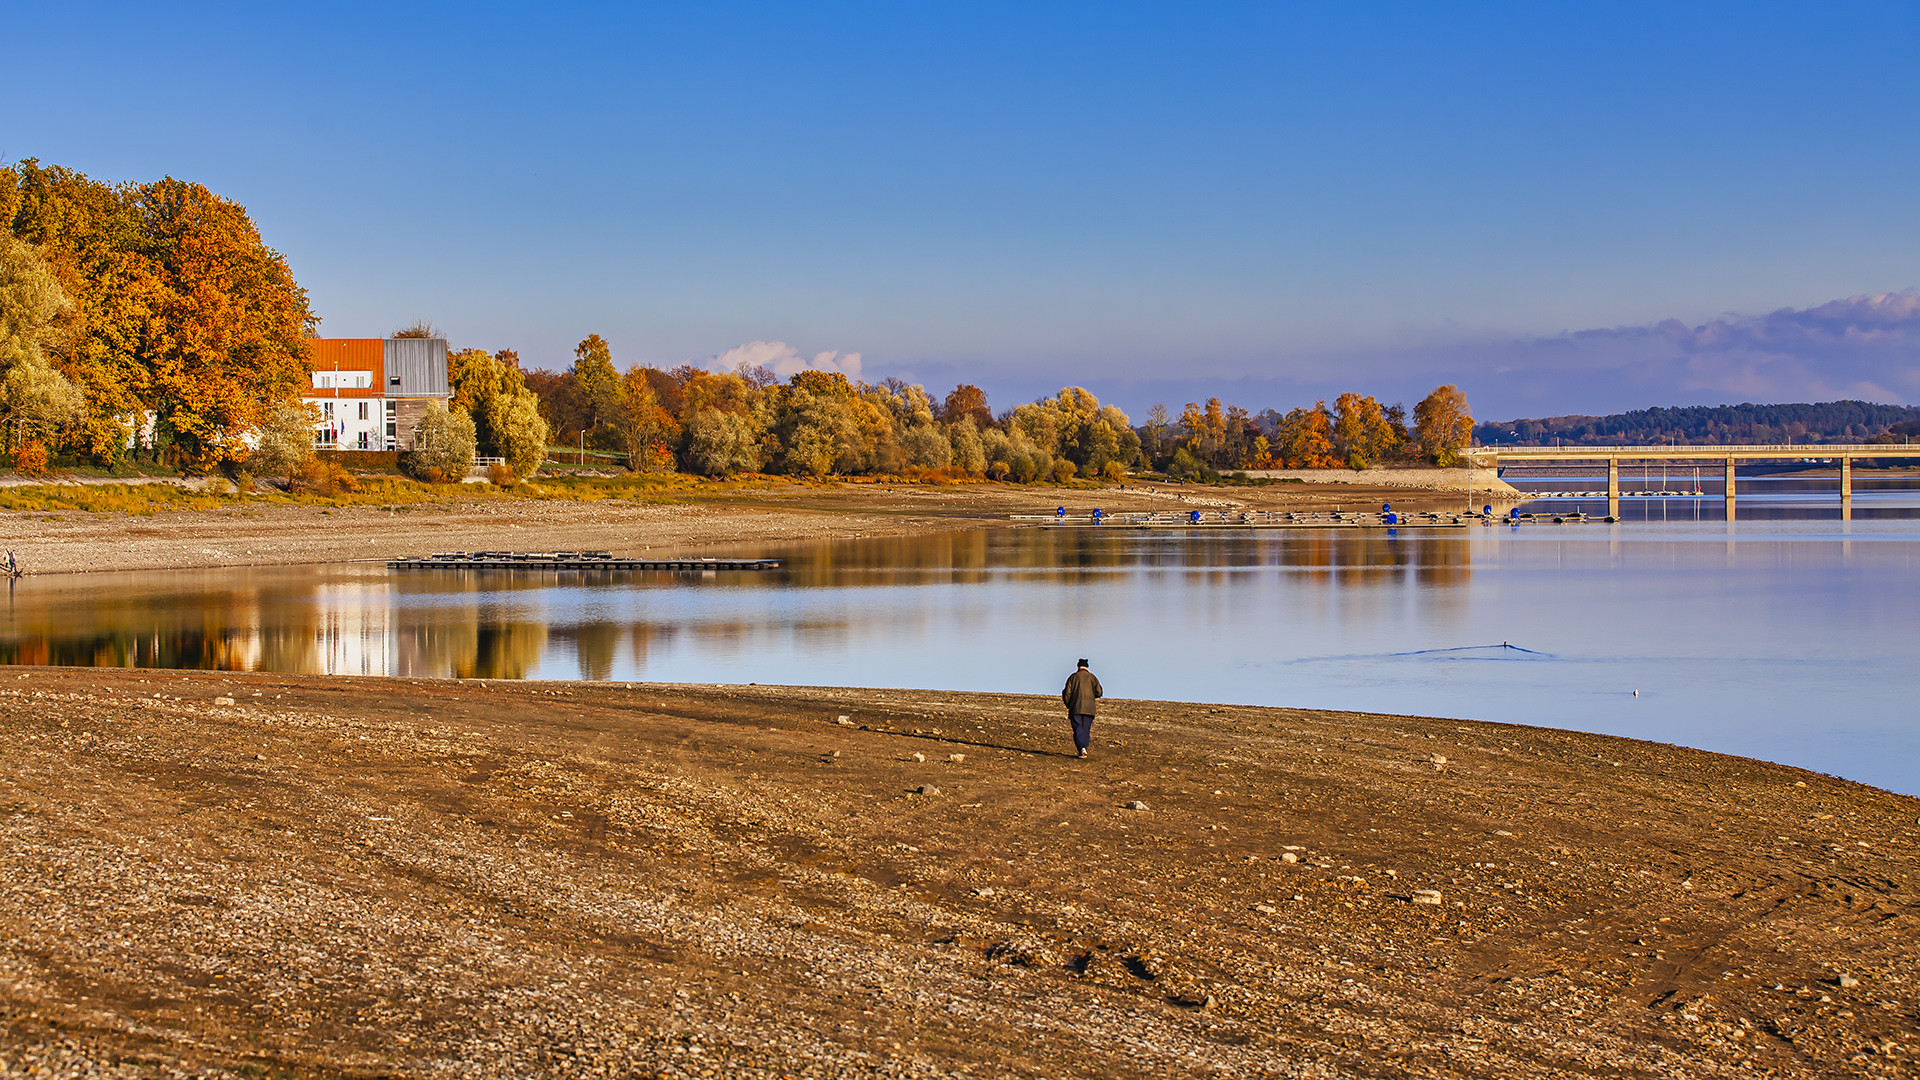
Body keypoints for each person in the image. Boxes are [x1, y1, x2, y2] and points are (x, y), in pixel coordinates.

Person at [1061, 658, 1103, 759]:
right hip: (1090, 709)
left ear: (1078, 666)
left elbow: (1067, 693)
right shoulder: (1092, 678)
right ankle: (1084, 747)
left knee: (1078, 728)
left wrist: (1069, 705)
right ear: (1087, 667)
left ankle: (1082, 748)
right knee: (1086, 729)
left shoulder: (1073, 677)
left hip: (1076, 708)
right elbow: (1099, 692)